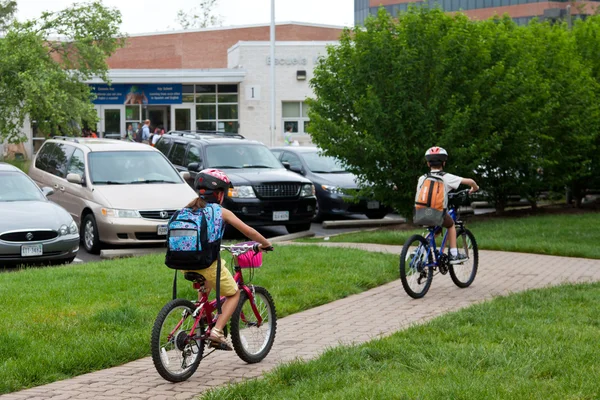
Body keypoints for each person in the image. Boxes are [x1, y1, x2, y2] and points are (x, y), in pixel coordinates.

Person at [182, 169, 273, 349]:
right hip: (207, 264)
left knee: (206, 285)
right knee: (234, 294)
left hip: (185, 262)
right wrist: (265, 243)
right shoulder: (220, 211)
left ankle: (202, 317)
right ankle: (216, 332)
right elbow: (248, 231)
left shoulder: (188, 209)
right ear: (219, 194)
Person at [420, 146, 479, 264]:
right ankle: (454, 254)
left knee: (436, 231)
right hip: (437, 212)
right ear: (444, 163)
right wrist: (475, 188)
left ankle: (420, 249)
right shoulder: (446, 177)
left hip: (420, 212)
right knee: (451, 225)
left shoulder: (422, 178)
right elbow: (470, 181)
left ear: (428, 164)